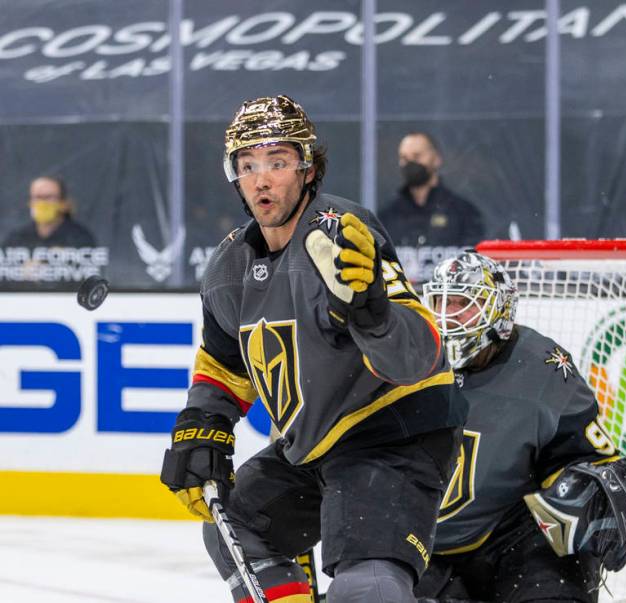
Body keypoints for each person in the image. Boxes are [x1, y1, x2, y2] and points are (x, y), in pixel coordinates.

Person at [159, 94, 467, 603]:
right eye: (248, 164)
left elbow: (418, 356)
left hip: (392, 432)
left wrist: (373, 313)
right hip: (314, 445)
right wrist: (203, 424)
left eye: (277, 162)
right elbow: (224, 364)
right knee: (235, 526)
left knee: (365, 588)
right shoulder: (228, 267)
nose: (261, 179)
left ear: (307, 168)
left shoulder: (342, 233)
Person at [415, 251, 626, 602]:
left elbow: (589, 459)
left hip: (517, 536)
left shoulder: (542, 367)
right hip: (425, 546)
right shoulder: (406, 360)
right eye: (440, 303)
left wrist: (586, 493)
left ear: (499, 309)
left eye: (463, 303)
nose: (448, 317)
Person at [379, 132, 486, 282]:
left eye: (417, 156)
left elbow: (476, 267)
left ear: (436, 159)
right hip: (403, 301)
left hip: (448, 301)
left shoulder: (464, 214)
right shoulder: (387, 217)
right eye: (404, 158)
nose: (410, 163)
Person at [2, 176, 95, 248]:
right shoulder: (17, 238)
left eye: (49, 197)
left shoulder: (79, 237)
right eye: (37, 197)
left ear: (63, 203)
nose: (43, 203)